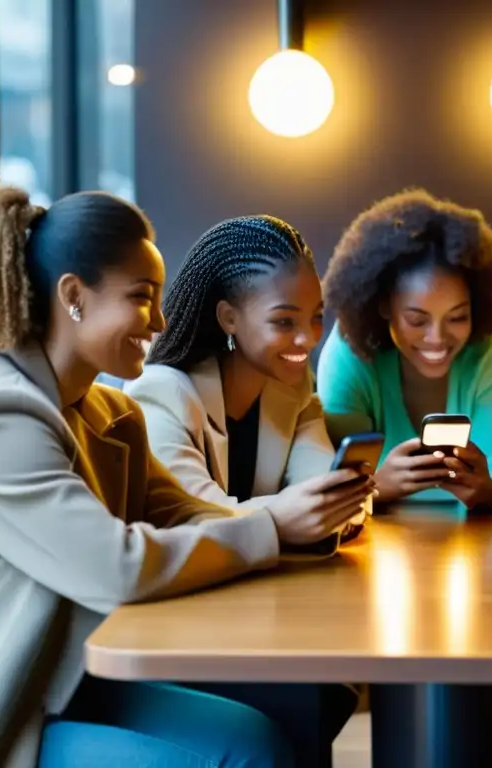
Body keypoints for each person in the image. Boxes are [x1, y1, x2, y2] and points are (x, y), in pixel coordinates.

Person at [0, 181, 370, 768]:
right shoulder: (0, 417)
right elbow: (117, 568)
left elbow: (185, 511)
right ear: (74, 296)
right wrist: (273, 526)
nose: (160, 321)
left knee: (267, 732)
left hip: (63, 674)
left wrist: (302, 521)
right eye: (141, 297)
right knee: (243, 756)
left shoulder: (111, 410)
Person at [126, 214, 367, 766]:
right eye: (285, 322)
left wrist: (337, 503)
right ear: (229, 317)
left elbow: (316, 488)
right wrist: (290, 515)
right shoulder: (163, 394)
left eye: (315, 318)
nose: (308, 340)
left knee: (329, 683)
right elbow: (189, 520)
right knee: (309, 693)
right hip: (180, 625)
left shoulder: (292, 388)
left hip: (253, 613)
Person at [316, 188, 492, 512]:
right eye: (416, 320)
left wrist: (489, 493)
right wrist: (377, 487)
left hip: (476, 545)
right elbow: (326, 483)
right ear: (383, 306)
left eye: (457, 317)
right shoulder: (349, 354)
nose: (437, 338)